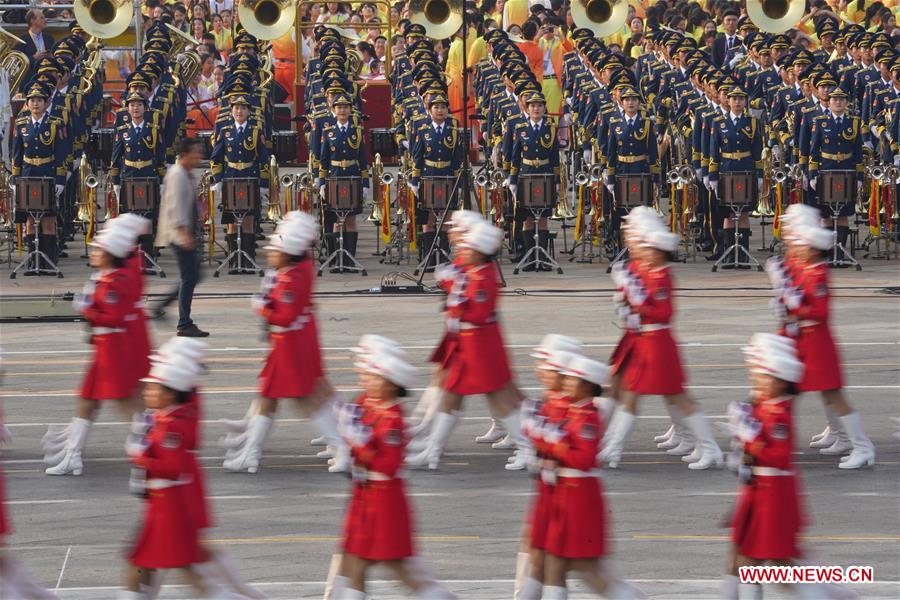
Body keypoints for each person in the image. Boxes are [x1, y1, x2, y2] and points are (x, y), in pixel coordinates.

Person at [721, 333, 853, 599]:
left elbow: (778, 456)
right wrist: (740, 451)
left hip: (772, 493)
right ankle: (833, 592)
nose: (754, 378)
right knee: (746, 556)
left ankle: (829, 594)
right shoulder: (764, 405)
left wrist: (751, 437)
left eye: (760, 375)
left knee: (766, 564)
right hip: (758, 490)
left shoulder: (779, 414)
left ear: (779, 380)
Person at [222, 212, 351, 474]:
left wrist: (263, 308)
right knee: (270, 394)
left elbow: (285, 316)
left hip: (293, 343)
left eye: (275, 250)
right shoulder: (290, 271)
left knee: (306, 397)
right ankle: (251, 448)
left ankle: (342, 443)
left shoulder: (292, 276)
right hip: (290, 341)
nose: (270, 253)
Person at [329, 342, 457, 599]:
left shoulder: (393, 420)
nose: (366, 379)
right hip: (364, 495)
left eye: (374, 377)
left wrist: (359, 441)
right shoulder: (366, 402)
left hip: (384, 499)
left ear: (391, 384)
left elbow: (388, 465)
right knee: (357, 563)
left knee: (398, 568)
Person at [602, 207, 723, 470]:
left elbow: (662, 311)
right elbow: (635, 301)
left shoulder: (661, 275)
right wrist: (625, 302)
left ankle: (709, 447)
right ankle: (611, 447)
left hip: (657, 344)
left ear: (657, 251)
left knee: (675, 398)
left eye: (645, 247)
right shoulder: (643, 268)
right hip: (643, 340)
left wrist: (636, 299)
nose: (638, 249)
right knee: (641, 396)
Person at [407, 221, 530, 471]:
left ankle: (528, 447)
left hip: (481, 345)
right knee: (451, 396)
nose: (462, 249)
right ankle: (432, 448)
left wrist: (452, 289)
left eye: (468, 247)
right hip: (467, 343)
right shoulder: (475, 271)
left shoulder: (484, 276)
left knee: (500, 398)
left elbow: (477, 313)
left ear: (479, 251)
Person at [528, 354, 643, 599]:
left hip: (578, 495)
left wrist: (554, 441)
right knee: (557, 562)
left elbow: (583, 459)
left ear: (588, 386)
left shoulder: (588, 418)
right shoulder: (573, 411)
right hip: (565, 492)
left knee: (585, 568)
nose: (567, 382)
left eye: (574, 380)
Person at [767, 209, 875, 469]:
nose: (793, 245)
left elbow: (819, 310)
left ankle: (862, 446)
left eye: (799, 242)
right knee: (805, 393)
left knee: (832, 394)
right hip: (800, 337)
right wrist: (783, 300)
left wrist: (794, 302)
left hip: (816, 341)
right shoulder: (803, 265)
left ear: (813, 247)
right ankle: (838, 436)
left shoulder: (817, 273)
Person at [42, 219, 145, 475]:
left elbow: (112, 315)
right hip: (106, 345)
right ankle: (72, 455)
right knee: (88, 398)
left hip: (114, 347)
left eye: (99, 249)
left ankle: (151, 443)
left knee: (125, 400)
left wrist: (87, 307)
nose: (94, 253)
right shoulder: (112, 274)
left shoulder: (118, 279)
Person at [152, 137, 208, 337]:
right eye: (196, 153)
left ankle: (162, 307)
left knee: (192, 275)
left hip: (185, 232)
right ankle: (184, 323)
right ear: (185, 154)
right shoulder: (177, 174)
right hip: (179, 234)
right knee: (189, 276)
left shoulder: (186, 173)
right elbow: (175, 206)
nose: (199, 156)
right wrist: (184, 233)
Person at [11, 83, 67, 272]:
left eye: (39, 100)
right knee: (29, 220)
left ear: (46, 103)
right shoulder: (21, 124)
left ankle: (48, 261)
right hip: (28, 176)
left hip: (47, 174)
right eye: (32, 100)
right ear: (27, 103)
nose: (35, 104)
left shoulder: (55, 123)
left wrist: (60, 180)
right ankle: (32, 260)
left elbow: (61, 153)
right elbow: (16, 154)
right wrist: (15, 180)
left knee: (47, 220)